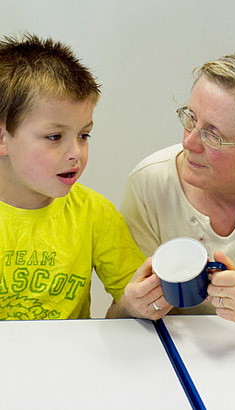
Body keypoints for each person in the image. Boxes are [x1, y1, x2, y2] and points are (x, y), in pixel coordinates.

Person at [0, 33, 172, 320]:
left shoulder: (95, 213)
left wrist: (133, 306)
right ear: (3, 139)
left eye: (84, 135)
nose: (75, 153)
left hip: (71, 363)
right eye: (54, 136)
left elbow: (127, 315)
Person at [120, 49, 235, 322]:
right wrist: (130, 308)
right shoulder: (150, 184)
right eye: (191, 118)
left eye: (213, 135)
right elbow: (119, 322)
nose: (189, 143)